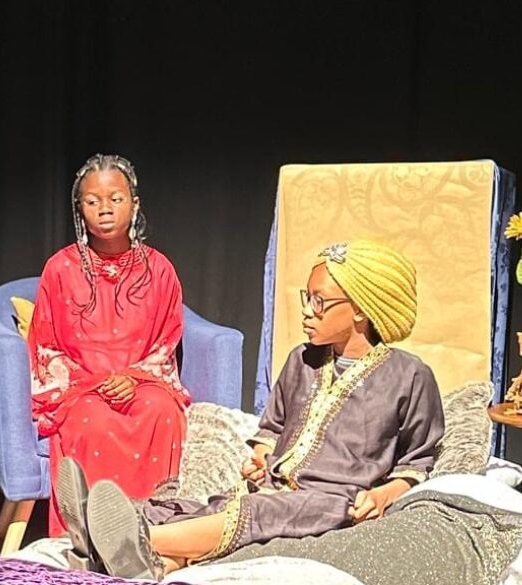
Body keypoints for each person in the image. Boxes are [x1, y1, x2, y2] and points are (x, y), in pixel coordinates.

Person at [74, 240, 445, 579]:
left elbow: (417, 462)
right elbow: (272, 429)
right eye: (307, 298)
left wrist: (382, 495)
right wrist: (261, 456)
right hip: (273, 486)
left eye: (319, 302)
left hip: (333, 502)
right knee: (208, 508)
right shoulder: (302, 360)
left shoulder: (409, 376)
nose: (307, 311)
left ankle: (128, 540)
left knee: (258, 513)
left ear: (360, 309)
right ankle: (148, 563)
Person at [27, 155, 190, 564]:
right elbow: (46, 346)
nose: (104, 209)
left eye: (115, 199)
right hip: (81, 388)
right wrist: (94, 383)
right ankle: (91, 536)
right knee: (92, 421)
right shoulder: (59, 269)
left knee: (161, 413)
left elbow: (165, 344)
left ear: (134, 204)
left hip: (143, 383)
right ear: (78, 209)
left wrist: (134, 377)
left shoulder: (160, 270)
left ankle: (154, 532)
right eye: (92, 201)